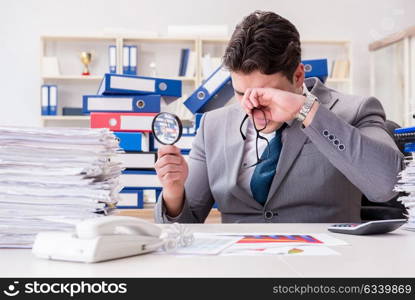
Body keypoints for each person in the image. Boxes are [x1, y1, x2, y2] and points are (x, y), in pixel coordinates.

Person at [154, 11, 403, 223]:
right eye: (241, 93)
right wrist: (174, 192)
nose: (252, 107)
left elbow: (387, 186)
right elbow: (185, 225)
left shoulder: (354, 110)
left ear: (298, 76)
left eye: (266, 94)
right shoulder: (213, 125)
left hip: (322, 268)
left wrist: (305, 110)